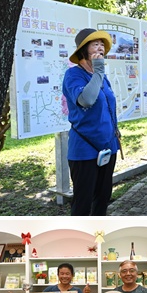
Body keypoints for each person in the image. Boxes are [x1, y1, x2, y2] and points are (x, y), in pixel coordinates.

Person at [63, 28, 119, 216]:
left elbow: (110, 107)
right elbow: (86, 99)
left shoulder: (103, 78)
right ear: (83, 50)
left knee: (103, 198)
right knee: (83, 203)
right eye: (95, 43)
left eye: (102, 44)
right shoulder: (74, 75)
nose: (100, 47)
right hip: (85, 151)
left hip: (108, 147)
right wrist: (99, 71)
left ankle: (98, 239)